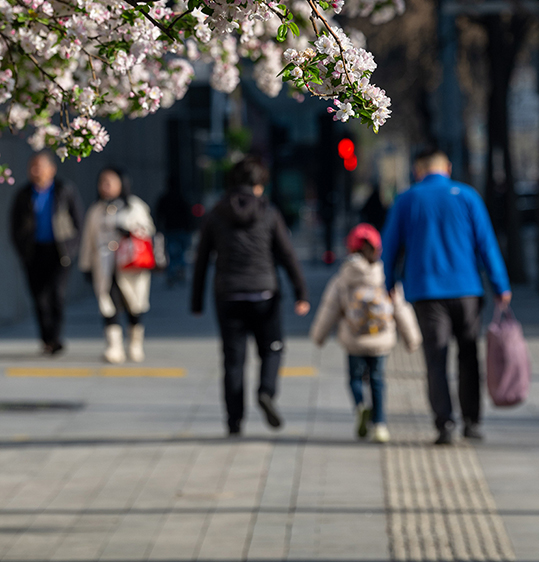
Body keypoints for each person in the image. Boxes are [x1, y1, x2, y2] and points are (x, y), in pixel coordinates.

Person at [381, 149, 512, 445]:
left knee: (436, 357)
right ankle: (472, 421)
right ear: (448, 168)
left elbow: (388, 247)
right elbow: (487, 245)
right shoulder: (467, 196)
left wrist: (388, 283)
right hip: (467, 290)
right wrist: (500, 285)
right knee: (468, 355)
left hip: (426, 292)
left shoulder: (407, 200)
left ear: (418, 170)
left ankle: (445, 424)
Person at [191, 155, 310, 436]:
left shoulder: (216, 212)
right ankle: (266, 391)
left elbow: (201, 259)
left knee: (233, 360)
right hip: (264, 294)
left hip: (228, 294)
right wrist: (300, 292)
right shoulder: (269, 212)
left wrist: (195, 301)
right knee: (272, 348)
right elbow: (286, 255)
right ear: (259, 184)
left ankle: (234, 422)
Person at [310, 222, 421, 443]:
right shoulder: (385, 275)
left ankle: (361, 406)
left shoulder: (343, 278)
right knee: (378, 380)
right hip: (381, 339)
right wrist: (412, 339)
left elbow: (329, 309)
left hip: (354, 339)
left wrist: (318, 336)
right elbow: (400, 308)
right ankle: (380, 425)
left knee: (355, 379)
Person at [79, 167, 156, 364]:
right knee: (108, 304)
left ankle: (135, 343)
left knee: (134, 305)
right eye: (102, 182)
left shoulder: (135, 206)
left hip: (131, 265)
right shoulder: (96, 210)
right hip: (105, 265)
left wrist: (130, 232)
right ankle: (114, 346)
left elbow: (148, 231)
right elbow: (88, 239)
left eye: (110, 181)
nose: (106, 186)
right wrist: (86, 264)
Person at [10, 151, 82, 355]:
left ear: (52, 169)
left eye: (40, 166)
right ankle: (46, 339)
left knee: (57, 295)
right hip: (34, 251)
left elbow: (78, 221)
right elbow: (14, 225)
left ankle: (55, 337)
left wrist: (72, 248)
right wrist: (22, 250)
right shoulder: (24, 194)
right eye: (33, 167)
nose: (36, 171)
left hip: (59, 251)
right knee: (39, 297)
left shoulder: (64, 190)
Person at [155, 177, 192, 286]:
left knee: (171, 254)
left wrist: (159, 227)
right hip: (180, 229)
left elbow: (159, 214)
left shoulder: (164, 198)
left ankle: (172, 275)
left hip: (170, 229)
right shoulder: (182, 197)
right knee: (180, 253)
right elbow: (188, 214)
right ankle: (179, 273)